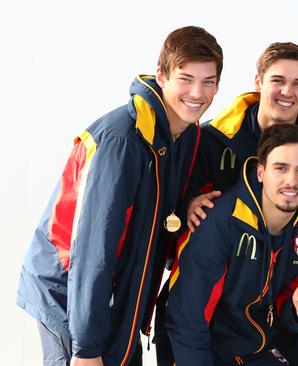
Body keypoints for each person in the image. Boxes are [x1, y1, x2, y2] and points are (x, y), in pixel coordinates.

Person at [16, 26, 223, 366]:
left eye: (209, 81)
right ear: (162, 76)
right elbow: (92, 250)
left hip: (113, 292)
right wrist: (86, 349)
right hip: (69, 294)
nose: (197, 93)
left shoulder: (183, 134)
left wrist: (186, 204)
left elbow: (153, 204)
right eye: (186, 79)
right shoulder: (124, 141)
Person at [165, 124, 298, 365]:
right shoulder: (220, 221)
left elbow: (292, 309)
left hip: (263, 351)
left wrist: (297, 310)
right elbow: (188, 319)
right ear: (261, 171)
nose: (292, 181)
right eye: (280, 168)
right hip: (205, 350)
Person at [186, 42, 298, 232]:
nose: (287, 92)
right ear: (258, 82)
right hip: (226, 253)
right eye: (278, 80)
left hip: (295, 255)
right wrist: (190, 203)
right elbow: (182, 195)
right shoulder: (212, 137)